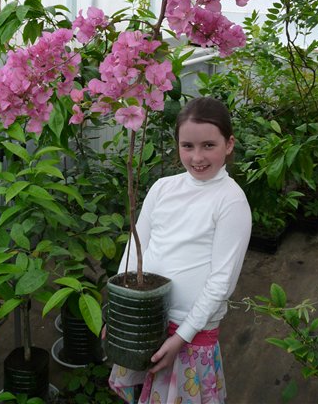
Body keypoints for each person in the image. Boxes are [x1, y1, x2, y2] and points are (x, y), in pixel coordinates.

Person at [108, 96, 252, 404]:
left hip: (190, 331)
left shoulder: (231, 201)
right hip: (143, 319)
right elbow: (135, 247)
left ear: (229, 144)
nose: (197, 157)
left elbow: (221, 282)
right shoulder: (163, 188)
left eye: (208, 145)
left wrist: (181, 337)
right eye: (187, 146)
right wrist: (121, 311)